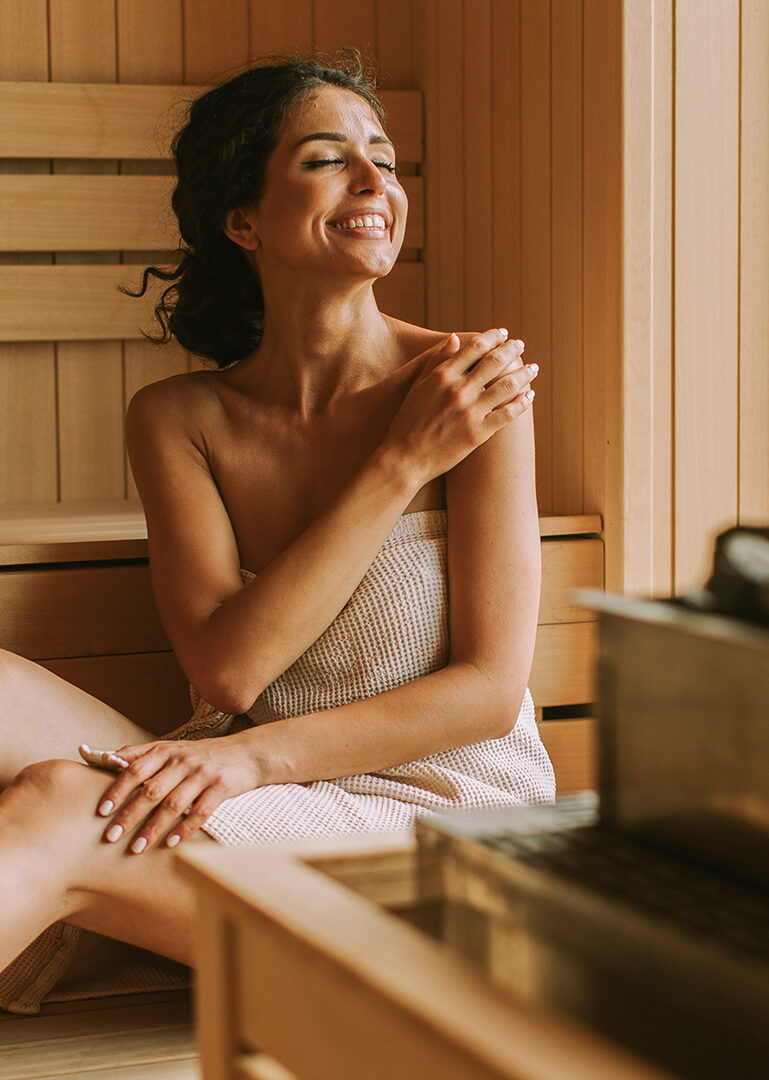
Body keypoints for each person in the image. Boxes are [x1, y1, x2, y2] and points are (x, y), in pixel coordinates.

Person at [0, 53, 553, 1012]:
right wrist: (399, 466)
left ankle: (101, 907)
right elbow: (230, 672)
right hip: (250, 781)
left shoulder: (468, 387)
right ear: (242, 219)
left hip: (441, 823)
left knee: (58, 800)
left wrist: (247, 760)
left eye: (384, 158)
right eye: (328, 159)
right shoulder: (180, 418)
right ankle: (114, 919)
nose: (376, 182)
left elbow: (489, 693)